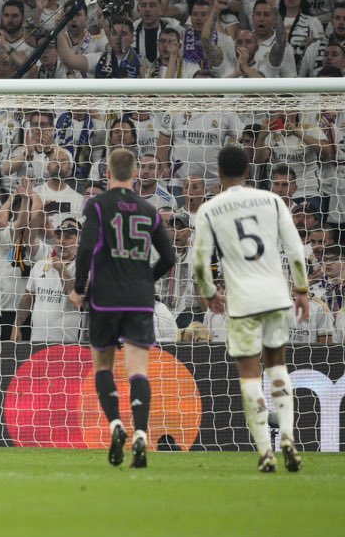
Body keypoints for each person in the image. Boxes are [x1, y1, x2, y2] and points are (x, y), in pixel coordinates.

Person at [191, 145, 310, 473]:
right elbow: (295, 247)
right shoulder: (272, 201)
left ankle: (264, 451)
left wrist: (209, 292)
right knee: (277, 367)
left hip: (242, 301)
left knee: (249, 375)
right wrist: (301, 290)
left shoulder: (210, 208)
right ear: (248, 170)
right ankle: (287, 435)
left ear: (219, 172)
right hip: (275, 296)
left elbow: (199, 261)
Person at [70, 148, 177, 469]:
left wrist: (78, 288)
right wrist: (146, 279)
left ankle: (116, 424)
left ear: (108, 173)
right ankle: (141, 433)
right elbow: (170, 258)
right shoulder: (149, 209)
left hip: (104, 298)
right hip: (140, 299)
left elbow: (86, 247)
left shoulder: (98, 205)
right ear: (135, 174)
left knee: (103, 366)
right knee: (137, 370)